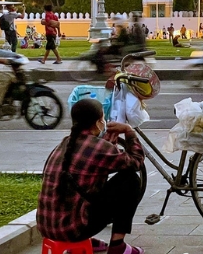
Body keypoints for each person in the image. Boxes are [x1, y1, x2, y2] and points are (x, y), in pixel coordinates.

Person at [37, 98, 145, 254]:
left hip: (46, 227)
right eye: (103, 118)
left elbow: (92, 163)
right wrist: (129, 132)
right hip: (73, 230)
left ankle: (85, 241)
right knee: (131, 180)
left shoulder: (64, 144)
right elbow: (136, 162)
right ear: (98, 122)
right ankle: (118, 246)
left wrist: (108, 143)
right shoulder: (99, 147)